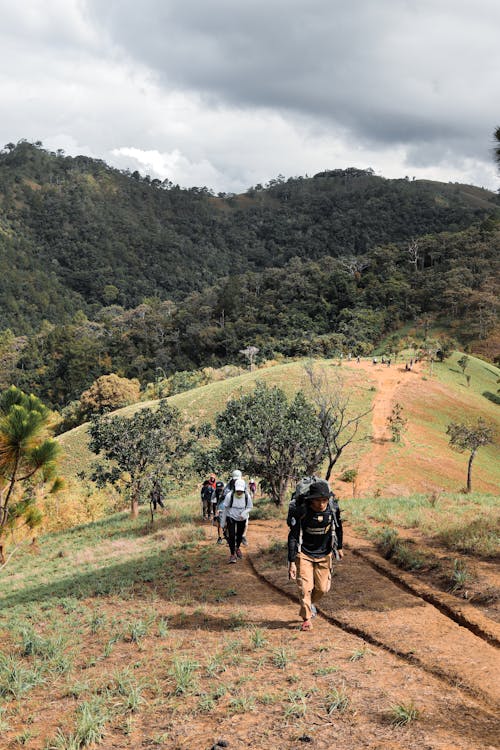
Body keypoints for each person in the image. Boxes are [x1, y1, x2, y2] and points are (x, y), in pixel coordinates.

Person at [287, 479, 343, 631]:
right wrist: (292, 561)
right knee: (305, 588)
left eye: (324, 500)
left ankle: (309, 603)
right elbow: (293, 536)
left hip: (325, 554)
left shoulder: (332, 509)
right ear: (311, 500)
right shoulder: (301, 511)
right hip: (304, 553)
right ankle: (306, 618)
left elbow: (338, 527)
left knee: (322, 588)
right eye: (318, 500)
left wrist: (339, 547)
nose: (321, 504)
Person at [220, 478, 253, 563]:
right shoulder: (229, 496)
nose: (239, 492)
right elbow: (225, 509)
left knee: (239, 535)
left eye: (241, 491)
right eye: (237, 490)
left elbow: (250, 507)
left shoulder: (247, 496)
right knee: (231, 535)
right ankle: (232, 555)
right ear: (235, 489)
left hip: (242, 518)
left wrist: (244, 513)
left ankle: (237, 547)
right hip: (231, 516)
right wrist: (222, 522)